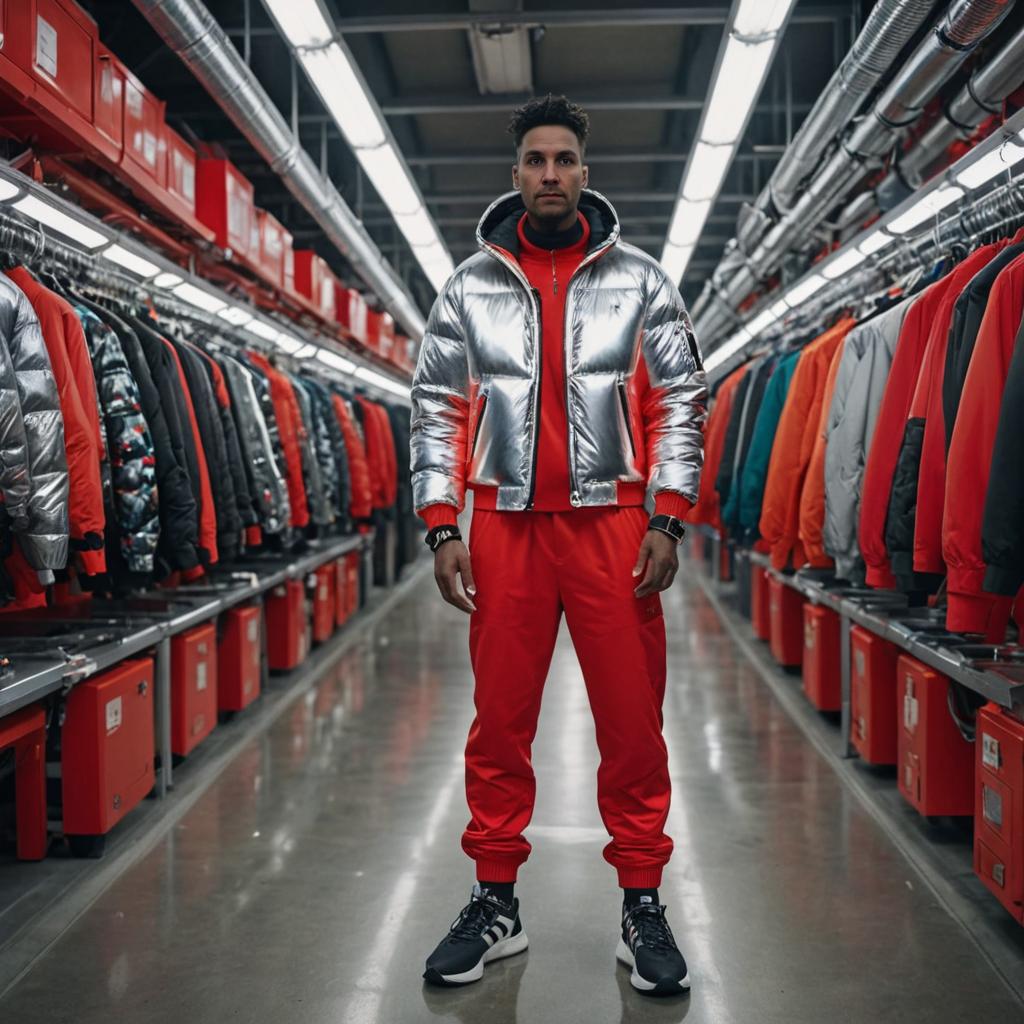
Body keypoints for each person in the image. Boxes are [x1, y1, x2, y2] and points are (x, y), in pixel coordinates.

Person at [410, 94, 707, 996]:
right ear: (516, 177)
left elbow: (681, 398)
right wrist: (440, 520)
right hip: (502, 525)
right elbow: (437, 405)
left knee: (631, 724)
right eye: (535, 160)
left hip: (614, 524)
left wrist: (667, 515)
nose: (549, 174)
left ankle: (643, 903)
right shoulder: (468, 286)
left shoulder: (643, 281)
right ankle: (494, 899)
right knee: (499, 723)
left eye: (563, 160)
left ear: (585, 172)